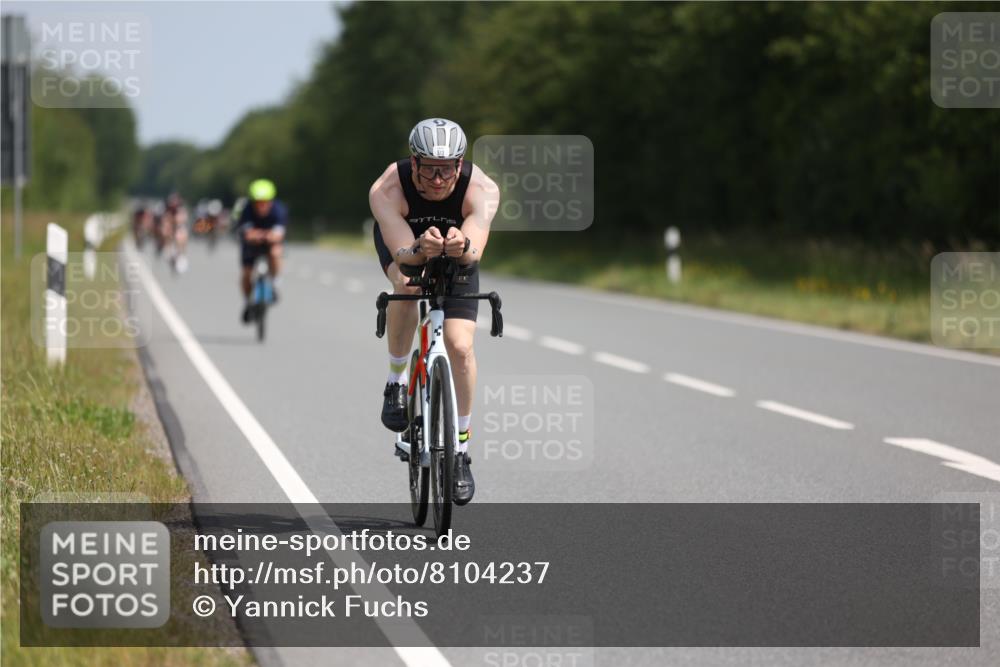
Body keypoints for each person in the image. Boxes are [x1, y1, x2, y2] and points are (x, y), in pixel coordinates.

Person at [368, 118, 499, 504]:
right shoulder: (387, 188)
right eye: (429, 168)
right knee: (406, 285)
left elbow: (474, 253)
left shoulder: (483, 189)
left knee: (460, 348)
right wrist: (420, 249)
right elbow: (403, 256)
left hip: (457, 256)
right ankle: (396, 381)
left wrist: (462, 246)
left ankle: (460, 452)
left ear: (460, 164)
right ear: (414, 162)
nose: (439, 179)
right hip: (408, 247)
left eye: (448, 169)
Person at [237, 179, 287, 324]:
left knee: (275, 253)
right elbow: (247, 234)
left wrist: (262, 235)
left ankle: (275, 283)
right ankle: (248, 302)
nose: (261, 206)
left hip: (270, 243)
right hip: (250, 245)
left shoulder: (279, 210)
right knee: (246, 273)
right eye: (258, 202)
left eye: (265, 202)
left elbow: (278, 234)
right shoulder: (246, 210)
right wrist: (259, 235)